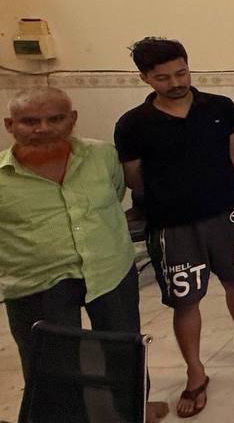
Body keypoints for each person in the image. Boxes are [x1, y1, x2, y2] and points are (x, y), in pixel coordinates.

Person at [115, 38, 234, 419]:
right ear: (145, 78)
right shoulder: (133, 124)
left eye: (181, 72)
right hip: (172, 224)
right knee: (185, 300)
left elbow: (231, 156)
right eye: (163, 77)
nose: (175, 83)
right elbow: (134, 179)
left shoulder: (219, 107)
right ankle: (195, 371)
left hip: (226, 212)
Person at [2, 88, 169, 423]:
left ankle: (132, 411)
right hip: (38, 280)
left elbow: (115, 193)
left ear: (72, 119)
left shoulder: (102, 156)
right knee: (52, 362)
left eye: (55, 119)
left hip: (109, 269)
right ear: (10, 125)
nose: (43, 128)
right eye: (30, 121)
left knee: (123, 349)